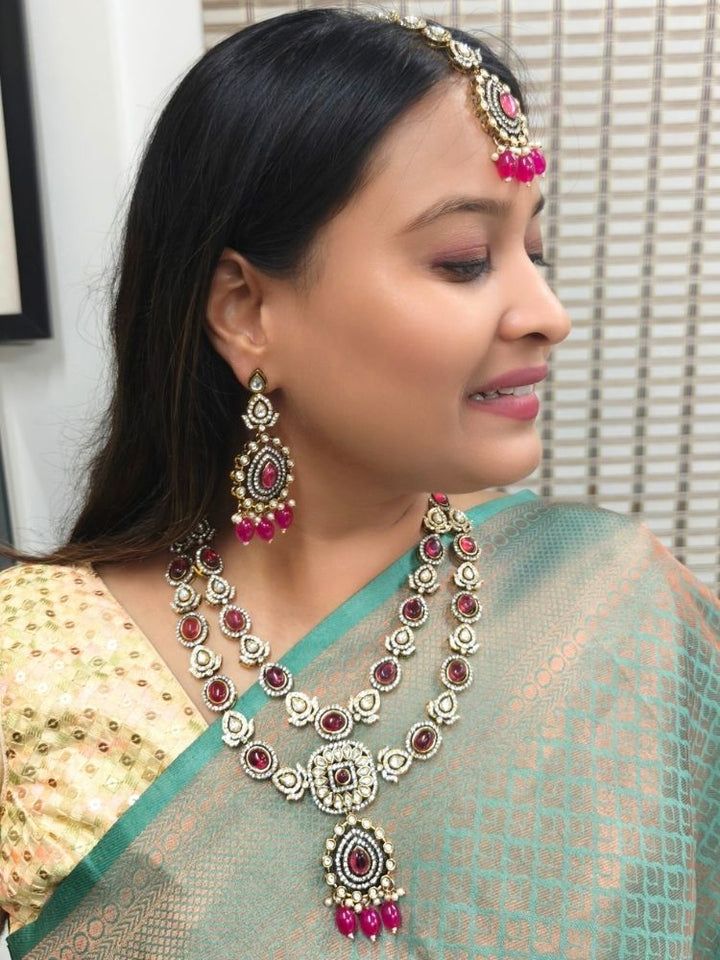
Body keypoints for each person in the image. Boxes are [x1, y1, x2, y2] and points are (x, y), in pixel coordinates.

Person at [0, 8, 717, 958]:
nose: (548, 313)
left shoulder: (611, 610)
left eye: (534, 253)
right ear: (245, 310)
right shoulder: (37, 664)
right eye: (465, 261)